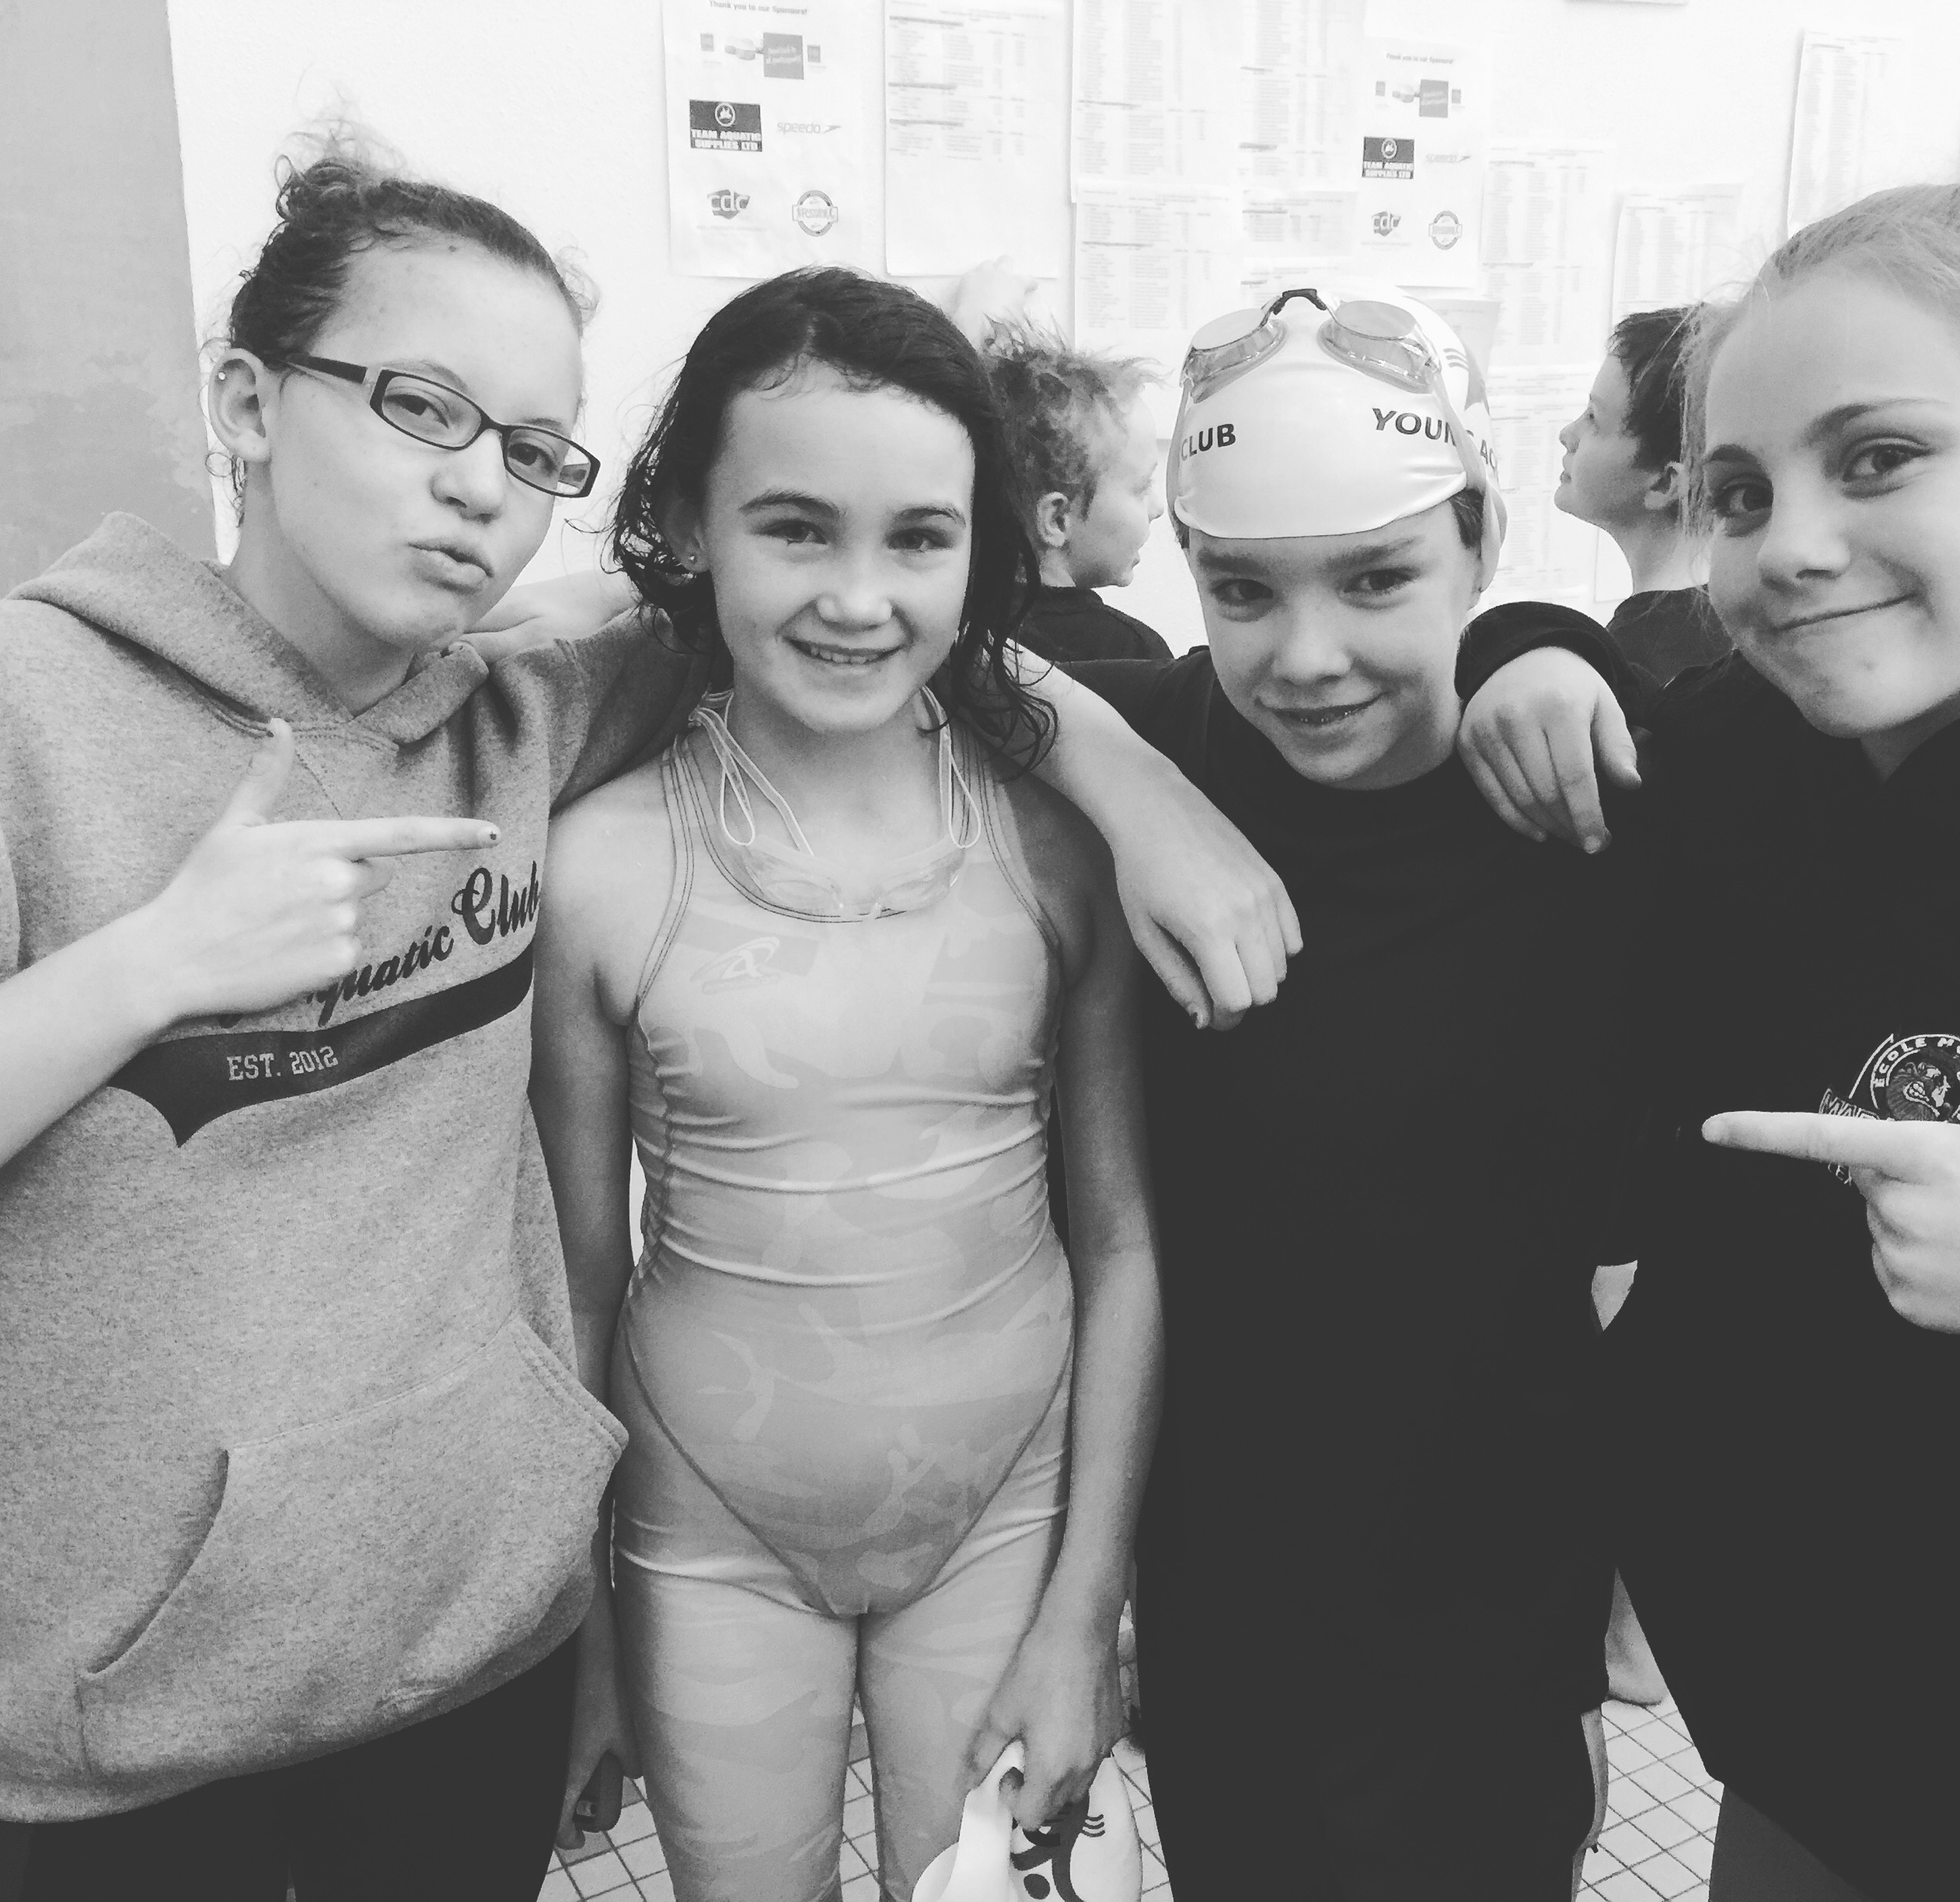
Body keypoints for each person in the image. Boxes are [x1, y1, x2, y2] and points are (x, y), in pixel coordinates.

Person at [0, 142, 1290, 1901]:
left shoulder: (524, 718)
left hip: (465, 1670)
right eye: (420, 407)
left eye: (534, 448)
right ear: (245, 399)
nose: (476, 487)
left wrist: (1131, 778)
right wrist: (137, 974)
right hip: (132, 1730)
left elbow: (859, 618)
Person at [1456, 166, 1960, 1899]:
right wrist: (1519, 644)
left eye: (1881, 457)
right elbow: (1612, 707)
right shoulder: (1756, 771)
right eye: (1738, 492)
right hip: (1796, 1763)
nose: (1788, 544)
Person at [530, 266, 1159, 1902]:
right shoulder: (600, 866)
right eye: (797, 529)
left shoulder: (1058, 848)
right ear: (690, 522)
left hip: (1007, 1515)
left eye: (919, 538)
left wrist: (1088, 1606)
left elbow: (1120, 1245)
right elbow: (576, 1280)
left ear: (980, 549)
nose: (859, 598)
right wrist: (581, 1635)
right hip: (706, 1534)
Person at [1062, 280, 1618, 1898]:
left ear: (1481, 539)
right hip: (1220, 1571)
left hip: (1489, 1575)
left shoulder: (1567, 793)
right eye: (1241, 590)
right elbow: (912, 647)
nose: (1304, 659)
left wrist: (1549, 643)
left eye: (1377, 578)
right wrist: (1125, 783)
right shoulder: (1165, 735)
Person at [1554, 306, 1730, 685]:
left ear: (1665, 483)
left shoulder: (1634, 669)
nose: (1567, 434)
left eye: (1594, 419)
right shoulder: (1737, 621)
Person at [981, 328, 1174, 667]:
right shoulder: (1132, 653)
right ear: (1057, 520)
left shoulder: (956, 631)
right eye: (1142, 488)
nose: (1157, 508)